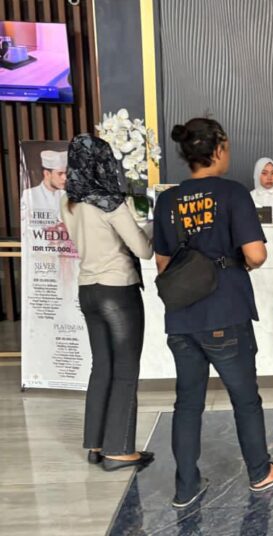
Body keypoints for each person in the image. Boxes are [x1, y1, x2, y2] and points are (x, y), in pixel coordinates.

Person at [153, 118, 273, 509]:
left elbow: (162, 264)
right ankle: (260, 472)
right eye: (226, 147)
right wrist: (234, 264)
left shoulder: (167, 200)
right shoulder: (232, 193)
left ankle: (186, 487)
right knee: (244, 399)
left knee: (187, 403)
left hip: (182, 317)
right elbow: (256, 254)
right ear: (217, 150)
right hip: (225, 311)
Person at [60, 134, 154, 472]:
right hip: (117, 290)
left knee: (101, 367)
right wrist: (150, 225)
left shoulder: (68, 202)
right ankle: (119, 451)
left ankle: (96, 445)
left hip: (88, 290)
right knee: (126, 370)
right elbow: (143, 250)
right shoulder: (110, 202)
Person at [21, 150, 68, 222]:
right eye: (60, 173)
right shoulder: (28, 195)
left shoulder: (65, 196)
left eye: (66, 173)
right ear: (47, 174)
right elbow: (25, 224)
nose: (65, 178)